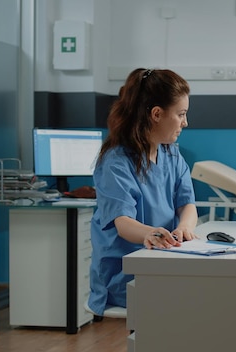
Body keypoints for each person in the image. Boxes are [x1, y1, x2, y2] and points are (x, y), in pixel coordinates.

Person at [87, 68, 198, 315]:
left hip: (163, 261)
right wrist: (152, 233)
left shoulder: (171, 154)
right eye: (181, 114)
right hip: (125, 273)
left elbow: (187, 204)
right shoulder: (116, 162)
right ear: (157, 114)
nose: (185, 123)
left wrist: (184, 228)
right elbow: (123, 223)